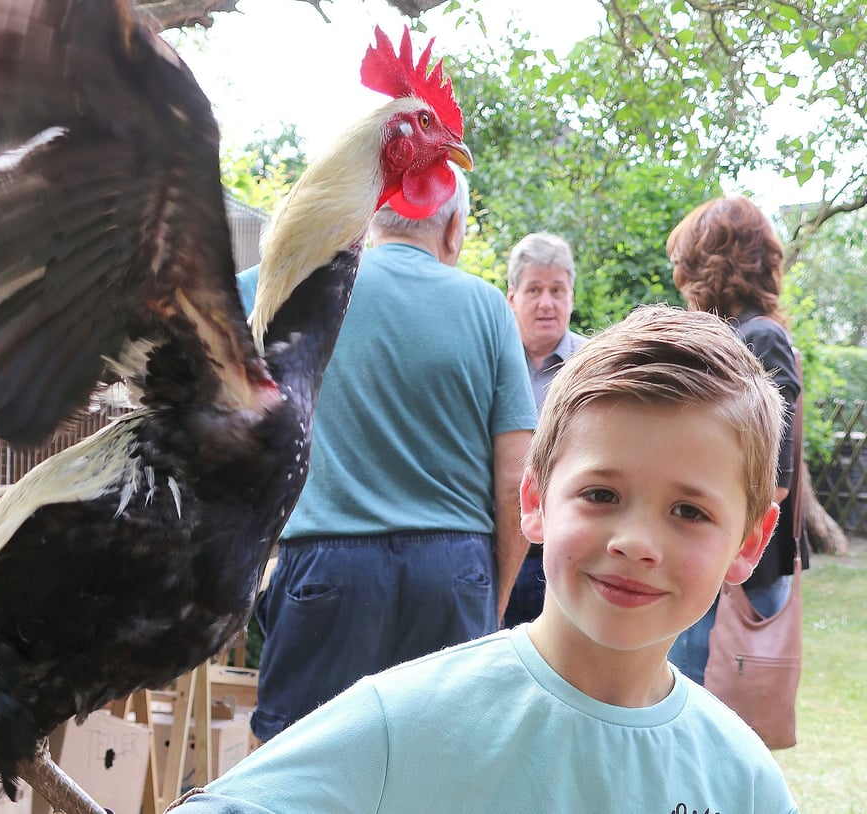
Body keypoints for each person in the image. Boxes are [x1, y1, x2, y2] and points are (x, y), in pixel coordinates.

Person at [170, 304, 797, 813]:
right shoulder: (403, 722)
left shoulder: (743, 779)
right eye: (601, 494)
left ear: (749, 541)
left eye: (689, 511)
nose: (636, 542)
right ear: (535, 500)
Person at [235, 167, 536, 743]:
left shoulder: (305, 288)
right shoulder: (490, 309)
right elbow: (515, 482)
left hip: (328, 572)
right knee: (442, 772)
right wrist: (488, 602)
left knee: (297, 772)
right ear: (454, 231)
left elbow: (205, 312)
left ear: (372, 218)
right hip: (452, 574)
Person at [667, 194, 810, 685]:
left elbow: (776, 481)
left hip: (737, 572)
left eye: (684, 263)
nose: (679, 279)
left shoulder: (760, 338)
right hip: (718, 560)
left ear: (708, 263)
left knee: (703, 725)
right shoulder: (736, 336)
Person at [504, 232, 588, 626]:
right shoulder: (489, 363)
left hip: (573, 545)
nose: (546, 303)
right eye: (534, 289)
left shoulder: (595, 365)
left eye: (557, 290)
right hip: (500, 542)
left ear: (572, 296)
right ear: (512, 298)